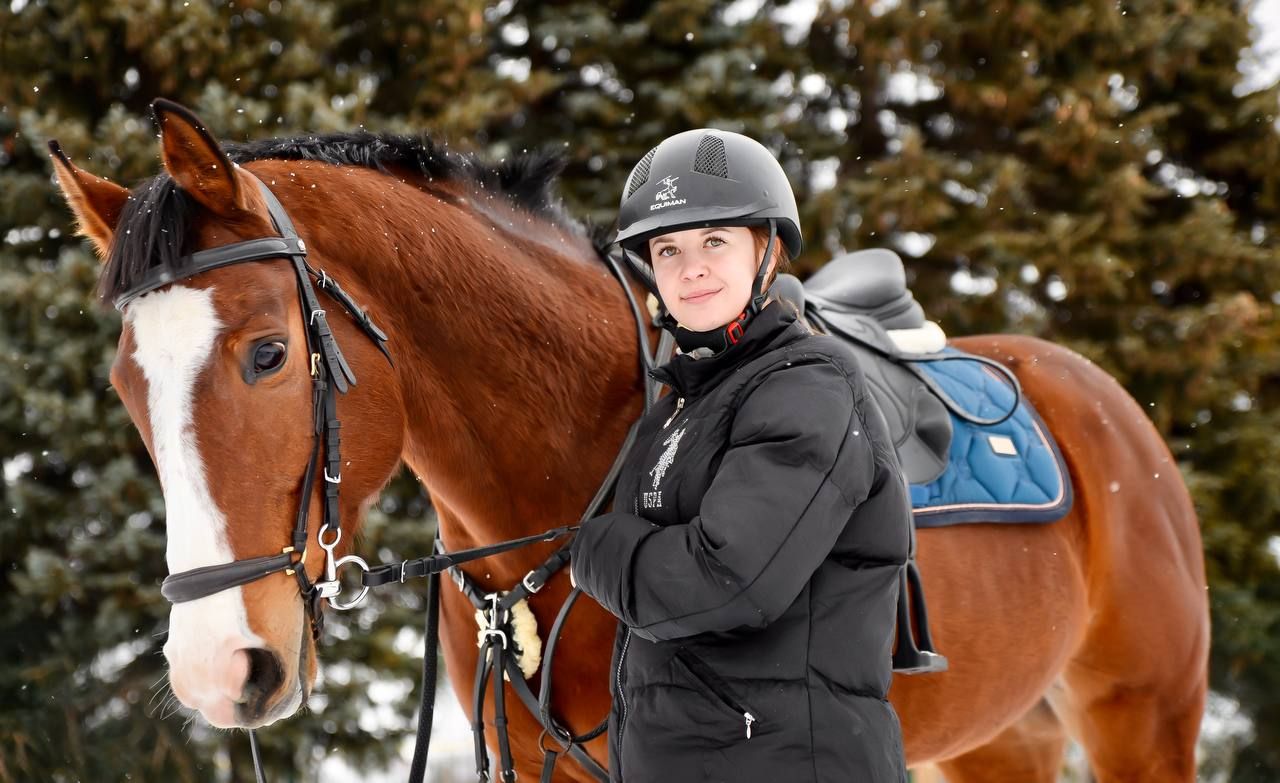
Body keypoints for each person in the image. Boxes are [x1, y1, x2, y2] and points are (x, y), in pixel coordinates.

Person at [570, 128, 912, 783]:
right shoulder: (680, 400)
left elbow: (727, 583)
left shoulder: (807, 384)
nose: (689, 266)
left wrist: (594, 550)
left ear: (768, 251)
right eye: (668, 248)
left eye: (714, 241)